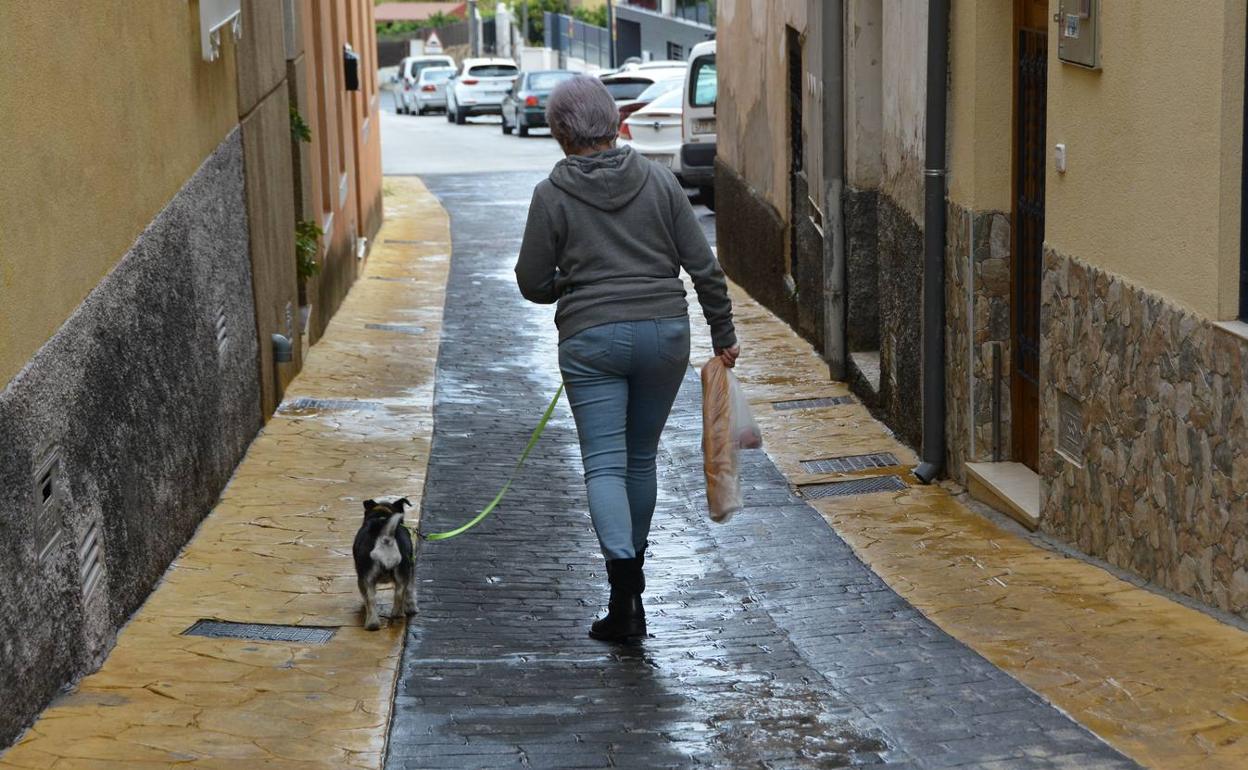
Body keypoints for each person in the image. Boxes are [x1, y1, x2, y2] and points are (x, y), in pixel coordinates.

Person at [515, 75, 739, 643]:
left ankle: (625, 599)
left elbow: (531, 282)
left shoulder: (551, 194)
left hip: (592, 340)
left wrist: (568, 284)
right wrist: (722, 331)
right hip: (665, 335)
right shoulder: (660, 182)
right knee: (640, 458)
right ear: (614, 121)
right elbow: (703, 264)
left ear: (561, 132)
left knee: (605, 465)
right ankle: (632, 588)